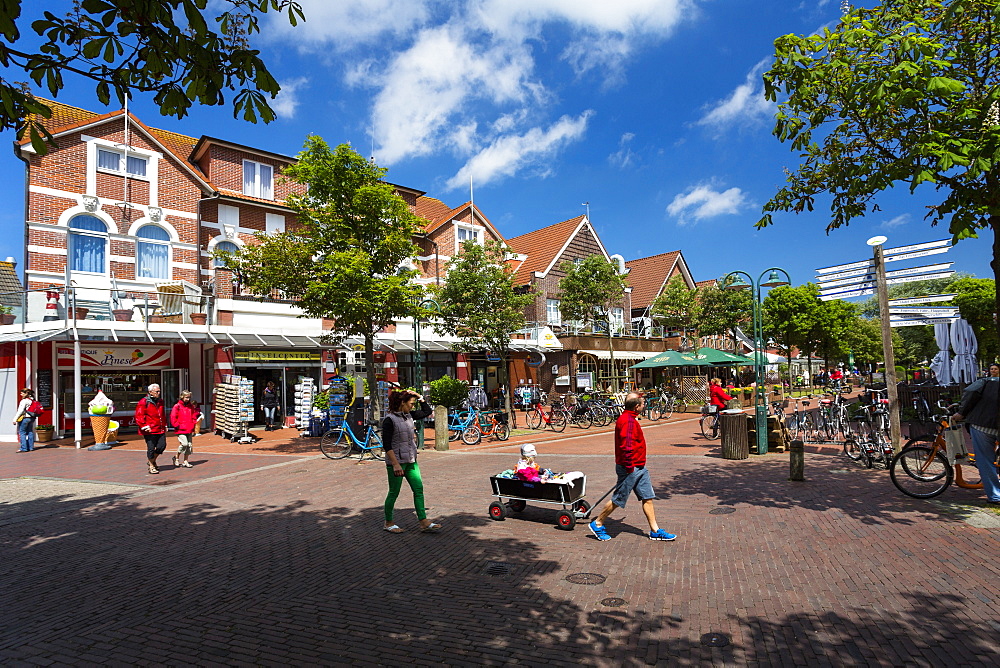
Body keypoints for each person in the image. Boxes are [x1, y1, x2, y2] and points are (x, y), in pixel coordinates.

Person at [588, 392, 677, 542]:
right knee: (619, 499)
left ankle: (655, 530)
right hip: (631, 467)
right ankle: (597, 523)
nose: (644, 405)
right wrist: (629, 467)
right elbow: (626, 446)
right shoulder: (628, 421)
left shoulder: (630, 419)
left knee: (647, 497)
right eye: (642, 403)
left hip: (640, 466)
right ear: (636, 407)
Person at [382, 388, 441, 533]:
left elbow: (427, 411)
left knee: (418, 489)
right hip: (397, 462)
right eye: (411, 403)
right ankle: (388, 522)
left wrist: (420, 397)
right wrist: (395, 464)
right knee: (394, 492)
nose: (413, 406)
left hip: (410, 460)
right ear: (402, 403)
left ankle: (423, 521)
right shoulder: (389, 420)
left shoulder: (409, 415)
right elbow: (387, 444)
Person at [952, 362, 1000, 505]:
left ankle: (995, 496)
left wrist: (961, 412)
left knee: (985, 461)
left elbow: (970, 393)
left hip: (983, 424)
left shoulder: (984, 382)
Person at [135, 383, 168, 474]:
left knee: (162, 446)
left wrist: (165, 425)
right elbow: (139, 415)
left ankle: (152, 460)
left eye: (159, 391)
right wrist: (144, 426)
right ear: (150, 392)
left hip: (160, 428)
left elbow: (162, 414)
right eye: (157, 391)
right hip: (149, 429)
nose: (159, 393)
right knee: (151, 448)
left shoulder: (160, 401)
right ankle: (151, 466)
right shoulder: (144, 401)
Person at [169, 390, 201, 469]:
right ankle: (176, 457)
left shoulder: (190, 406)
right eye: (186, 397)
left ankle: (185, 460)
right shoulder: (177, 406)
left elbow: (193, 415)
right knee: (184, 444)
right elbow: (173, 417)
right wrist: (176, 425)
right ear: (182, 397)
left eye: (189, 397)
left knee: (189, 445)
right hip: (181, 429)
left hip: (189, 428)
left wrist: (193, 423)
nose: (188, 399)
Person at [13, 388, 36, 453]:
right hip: (32, 418)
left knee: (22, 432)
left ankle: (24, 448)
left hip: (25, 418)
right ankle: (31, 447)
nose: (21, 394)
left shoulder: (24, 401)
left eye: (22, 393)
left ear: (26, 394)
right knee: (30, 432)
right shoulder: (33, 400)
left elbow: (20, 411)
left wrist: (15, 419)